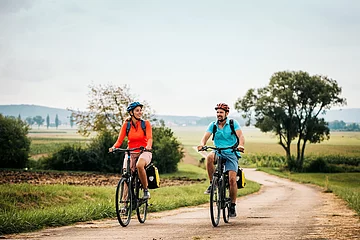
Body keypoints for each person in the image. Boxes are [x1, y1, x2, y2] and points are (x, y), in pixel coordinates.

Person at [197, 103, 245, 217]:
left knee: (232, 180)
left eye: (221, 112)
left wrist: (241, 145)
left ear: (226, 114)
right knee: (209, 157)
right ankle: (212, 183)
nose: (219, 114)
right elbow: (205, 137)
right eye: (217, 112)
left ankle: (232, 205)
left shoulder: (233, 124)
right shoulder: (213, 125)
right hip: (218, 151)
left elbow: (241, 136)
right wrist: (202, 144)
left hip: (231, 153)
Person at [109, 101, 153, 199]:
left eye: (141, 110)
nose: (140, 112)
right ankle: (124, 204)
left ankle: (146, 190)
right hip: (131, 152)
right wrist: (114, 147)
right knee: (126, 175)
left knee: (139, 165)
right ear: (131, 112)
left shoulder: (145, 124)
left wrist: (148, 146)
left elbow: (149, 138)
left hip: (144, 151)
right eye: (137, 110)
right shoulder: (126, 125)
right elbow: (119, 141)